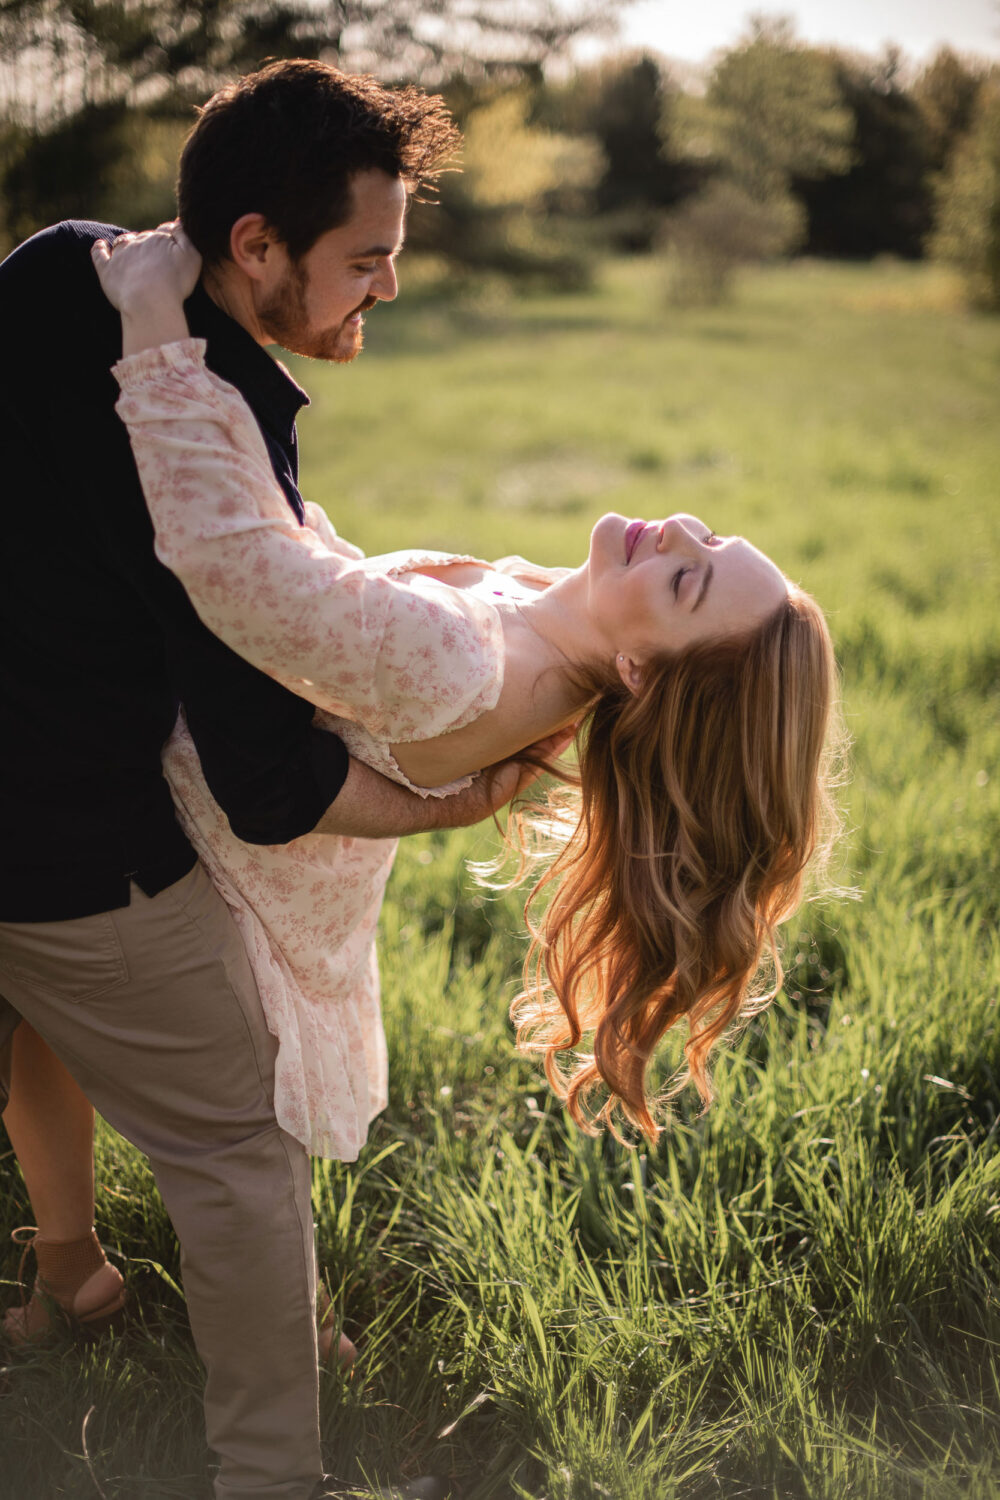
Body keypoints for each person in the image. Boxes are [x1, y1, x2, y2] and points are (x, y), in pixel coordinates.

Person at [0, 61, 550, 1500]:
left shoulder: (59, 266)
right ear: (257, 245)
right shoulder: (219, 407)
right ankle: (270, 1475)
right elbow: (265, 778)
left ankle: (74, 1282)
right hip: (60, 834)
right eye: (365, 262)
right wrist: (440, 805)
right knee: (236, 1146)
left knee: (29, 1024)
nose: (381, 292)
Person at [91, 224, 842, 1156]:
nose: (681, 533)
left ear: (643, 672)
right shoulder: (542, 607)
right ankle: (72, 1265)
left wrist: (155, 325)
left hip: (189, 876)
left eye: (688, 582)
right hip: (152, 759)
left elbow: (238, 566)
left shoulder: (472, 664)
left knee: (214, 1154)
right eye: (716, 542)